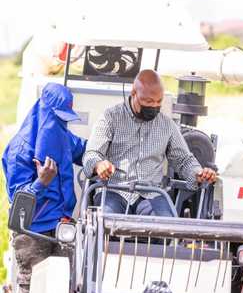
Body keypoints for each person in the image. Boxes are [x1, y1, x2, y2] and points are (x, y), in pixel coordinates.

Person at [82, 69, 216, 217]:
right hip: (113, 190)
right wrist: (98, 165)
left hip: (151, 194)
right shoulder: (110, 118)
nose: (154, 106)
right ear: (134, 93)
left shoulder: (167, 125)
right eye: (148, 101)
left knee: (167, 225)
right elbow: (92, 154)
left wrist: (197, 173)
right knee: (103, 220)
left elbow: (184, 160)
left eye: (159, 102)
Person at [2, 83, 87, 293]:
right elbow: (18, 200)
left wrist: (99, 158)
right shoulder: (20, 149)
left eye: (65, 118)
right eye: (58, 117)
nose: (61, 123)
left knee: (65, 291)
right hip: (32, 233)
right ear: (44, 110)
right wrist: (40, 183)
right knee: (33, 291)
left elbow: (84, 150)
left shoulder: (63, 138)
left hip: (62, 228)